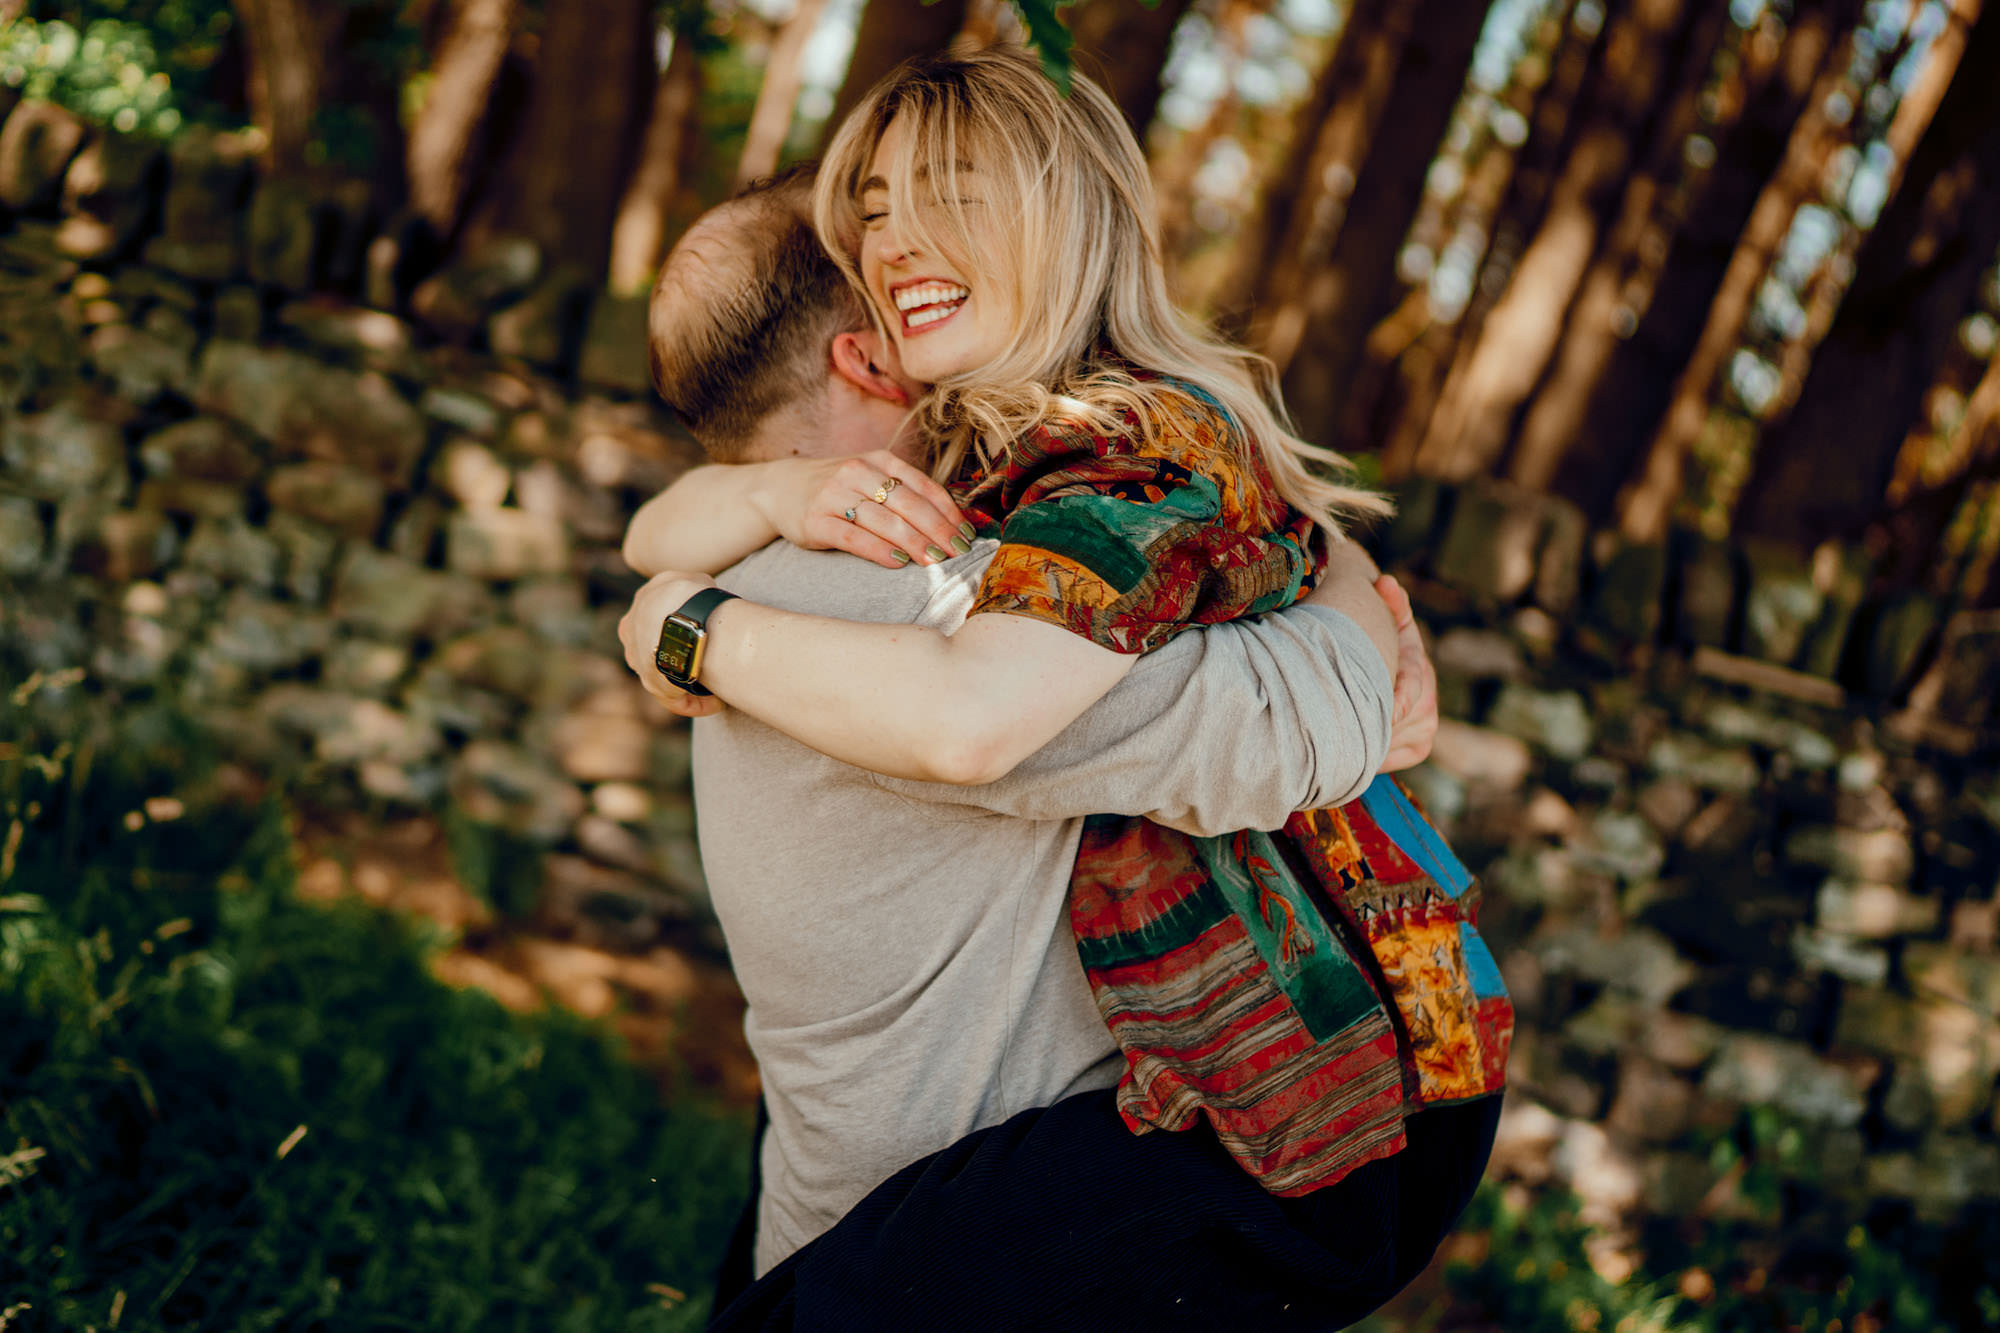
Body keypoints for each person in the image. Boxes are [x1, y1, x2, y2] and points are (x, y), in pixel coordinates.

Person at [620, 163, 1497, 1331]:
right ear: (871, 358)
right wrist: (1352, 593)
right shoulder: (940, 604)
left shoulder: (743, 558)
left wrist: (674, 605)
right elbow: (1299, 722)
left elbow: (665, 533)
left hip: (841, 1204)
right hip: (944, 1248)